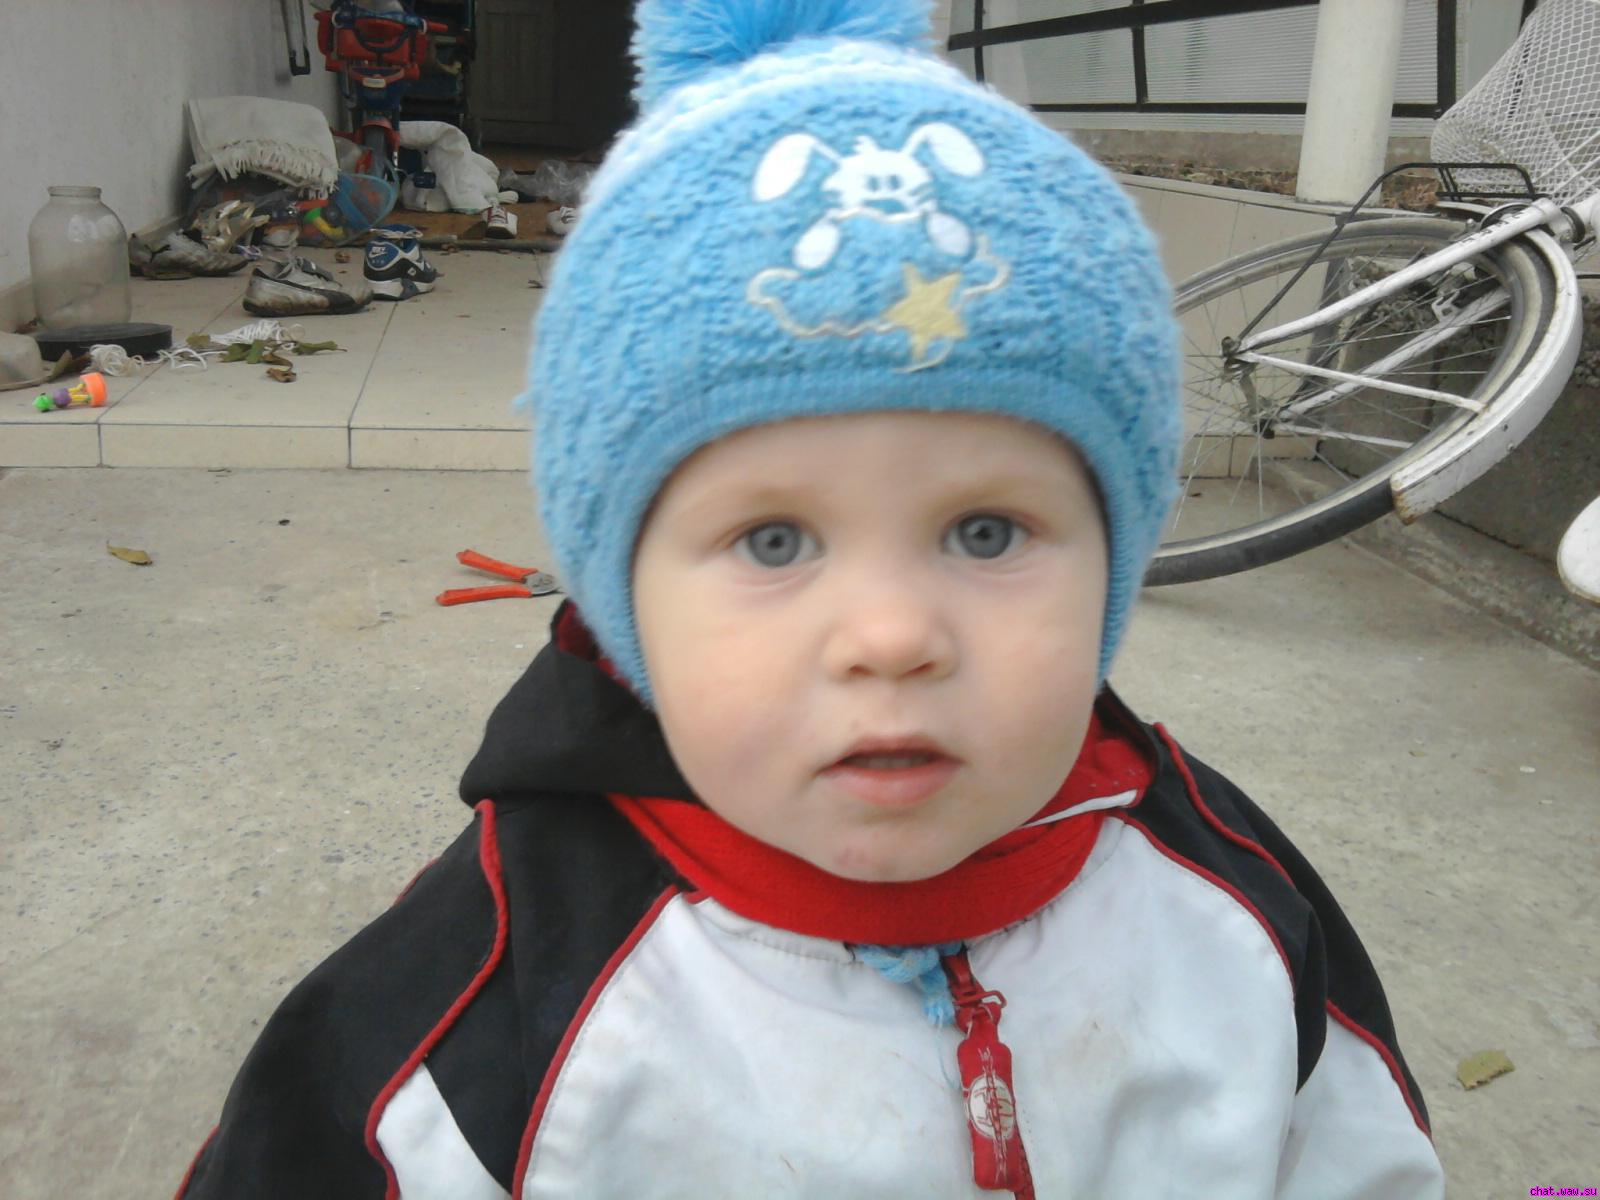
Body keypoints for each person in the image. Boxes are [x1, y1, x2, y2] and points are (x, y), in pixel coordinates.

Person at [177, 1, 1447, 1195]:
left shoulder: (1231, 918)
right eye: (774, 540)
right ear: (622, 604)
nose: (891, 637)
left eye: (986, 532)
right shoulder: (485, 1004)